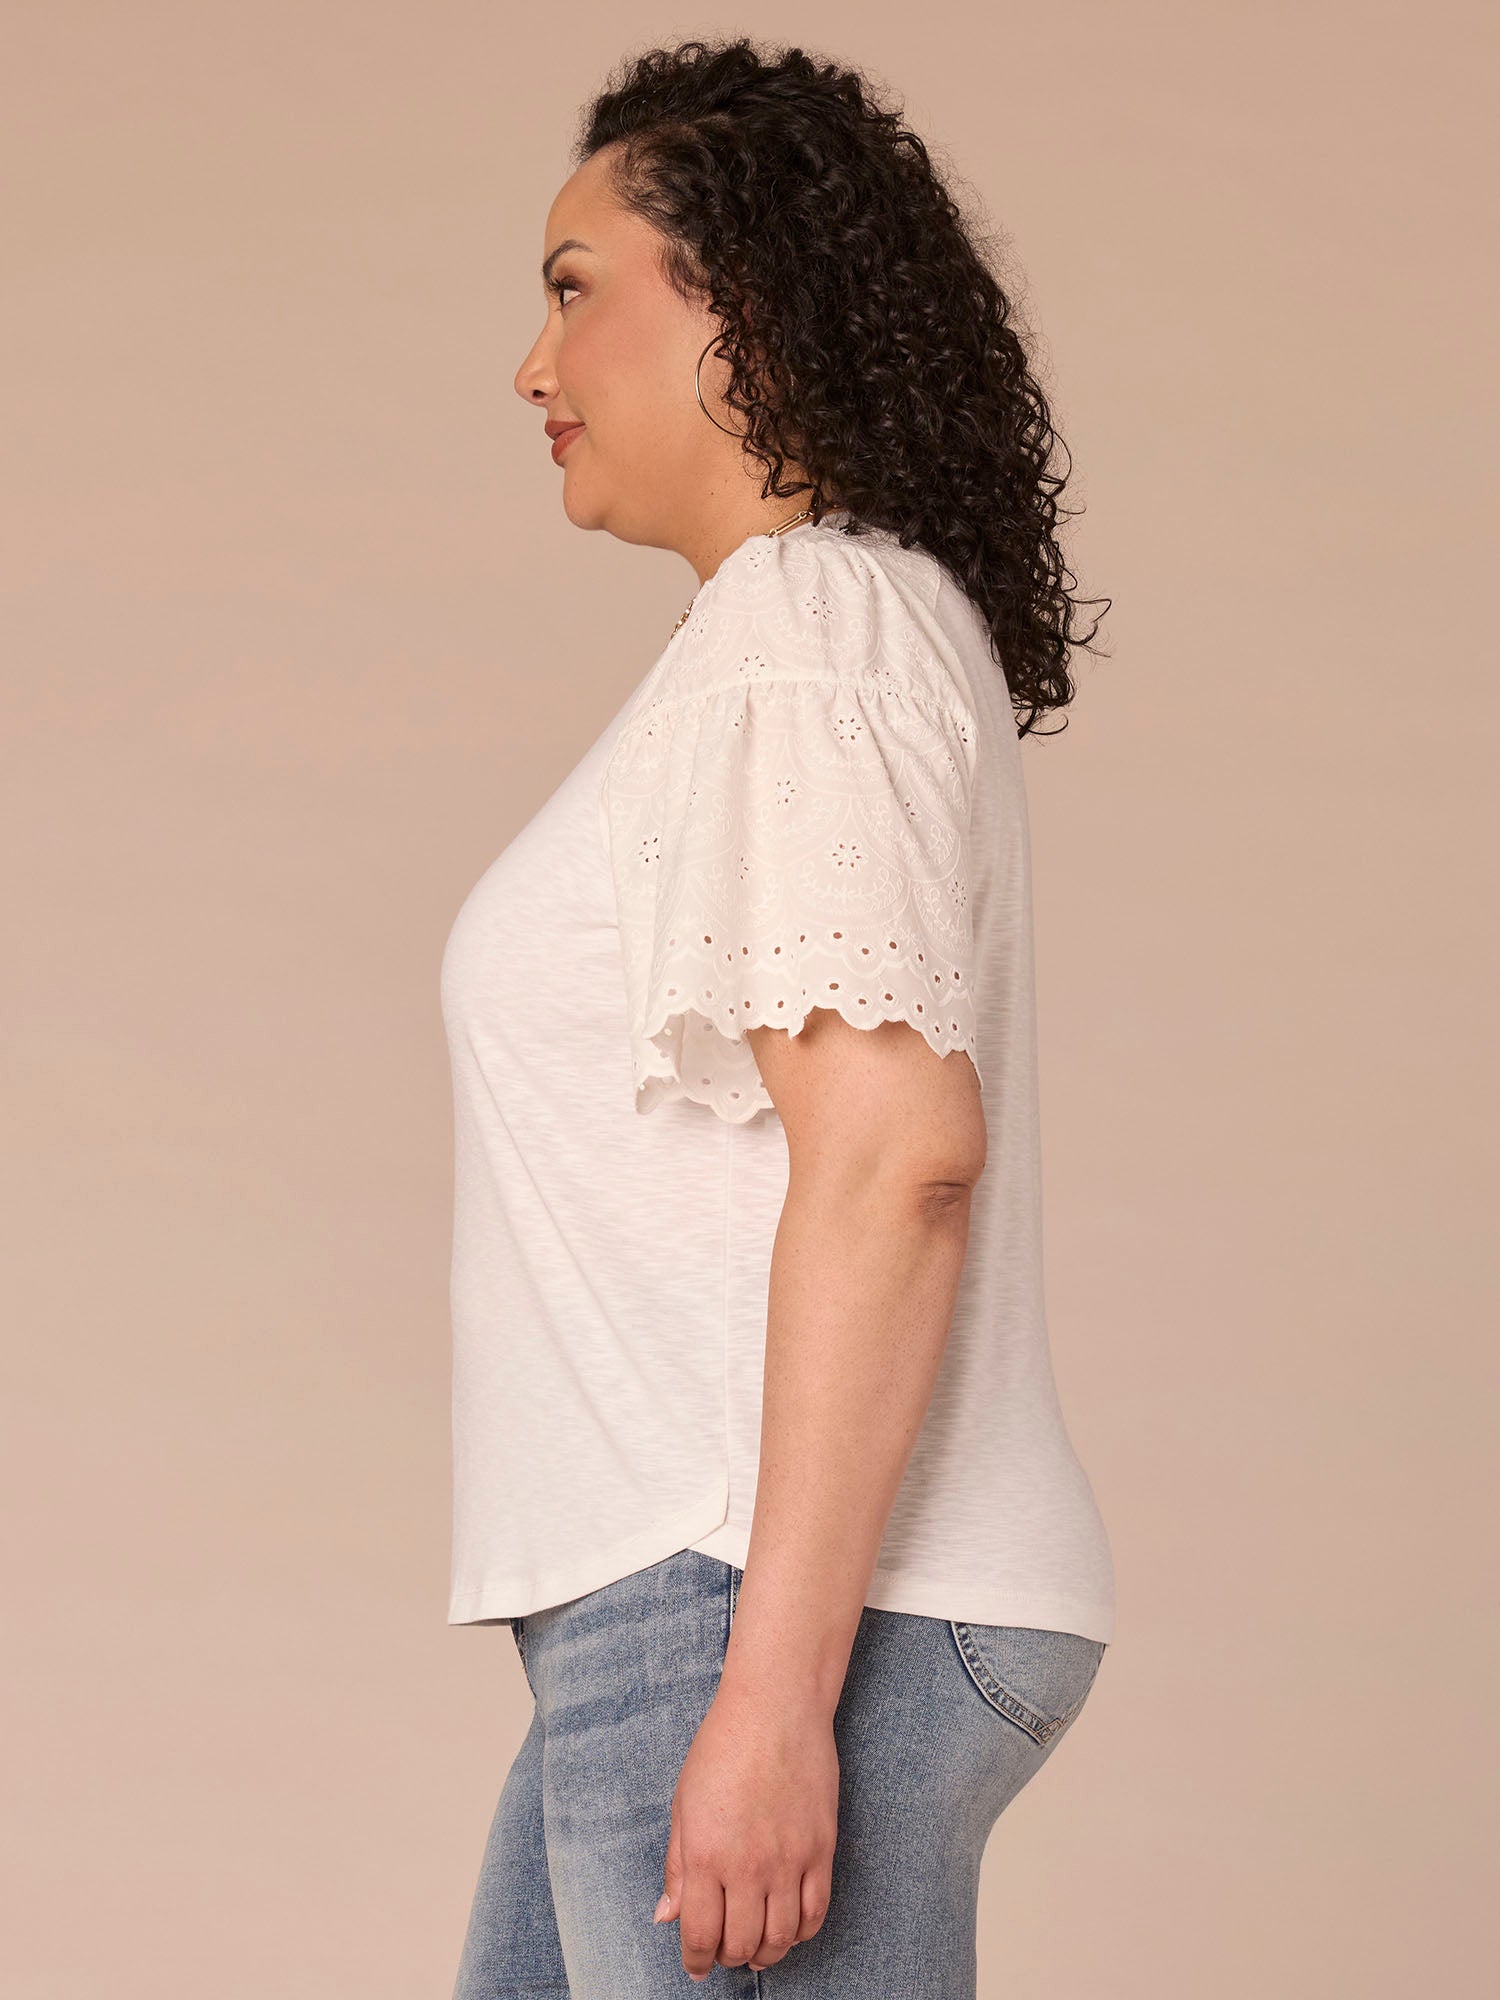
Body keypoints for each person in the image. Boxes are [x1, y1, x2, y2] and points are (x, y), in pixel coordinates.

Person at [444, 35, 1115, 1999]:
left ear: (737, 300)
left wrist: (769, 1694)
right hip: (692, 1606)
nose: (533, 366)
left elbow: (898, 1157)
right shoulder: (814, 632)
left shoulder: (807, 626)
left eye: (575, 289)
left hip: (755, 1603)